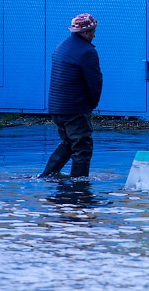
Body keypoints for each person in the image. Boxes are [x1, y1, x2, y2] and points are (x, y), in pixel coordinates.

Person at [40, 13, 103, 178]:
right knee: (82, 148)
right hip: (75, 109)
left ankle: (47, 175)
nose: (94, 35)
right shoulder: (87, 52)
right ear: (85, 32)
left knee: (69, 143)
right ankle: (79, 184)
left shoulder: (61, 47)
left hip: (57, 108)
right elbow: (95, 83)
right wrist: (91, 105)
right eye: (92, 31)